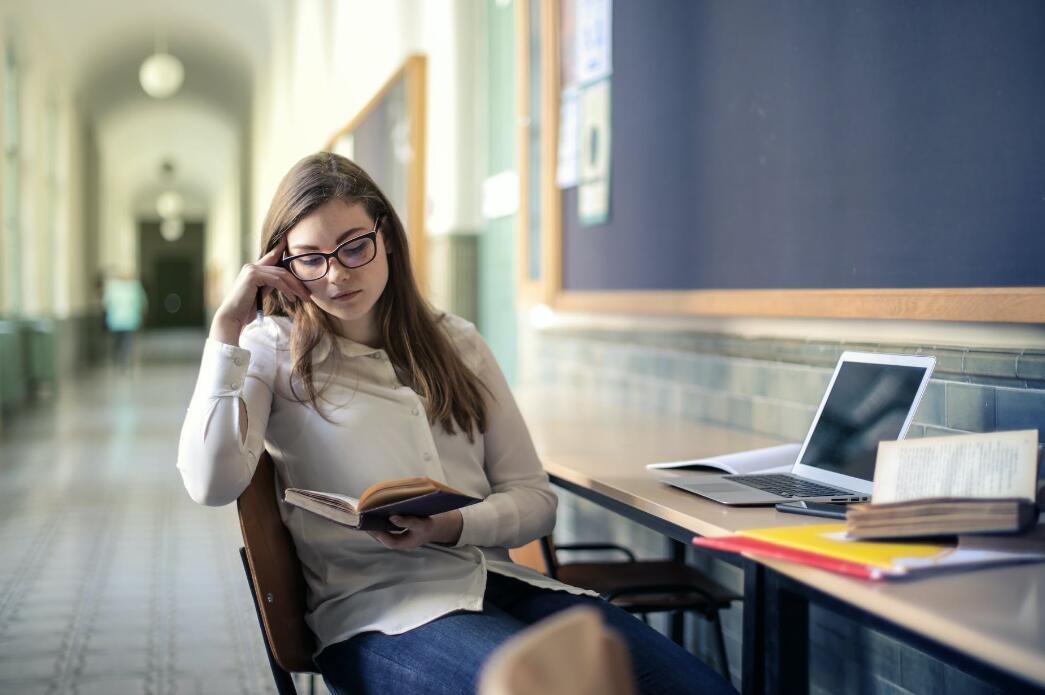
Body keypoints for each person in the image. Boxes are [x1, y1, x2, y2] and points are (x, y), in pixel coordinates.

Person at [176, 153, 735, 695]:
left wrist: (448, 527)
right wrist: (226, 332)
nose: (336, 275)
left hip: (500, 584)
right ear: (282, 265)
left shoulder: (457, 342)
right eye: (310, 258)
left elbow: (536, 501)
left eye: (353, 247)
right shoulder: (270, 349)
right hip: (379, 615)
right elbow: (211, 484)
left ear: (386, 235)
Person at [102, 272, 148, 370]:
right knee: (127, 340)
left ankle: (119, 357)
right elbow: (143, 302)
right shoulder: (134, 287)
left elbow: (105, 303)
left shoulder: (113, 287)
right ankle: (125, 358)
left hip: (115, 320)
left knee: (118, 340)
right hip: (129, 320)